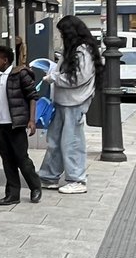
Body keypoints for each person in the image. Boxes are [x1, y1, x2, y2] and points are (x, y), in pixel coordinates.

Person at [37, 15, 101, 195]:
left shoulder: (82, 51)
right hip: (64, 101)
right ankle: (49, 176)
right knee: (55, 141)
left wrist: (54, 78)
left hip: (75, 102)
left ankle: (77, 179)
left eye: (62, 33)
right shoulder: (74, 50)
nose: (61, 36)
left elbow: (79, 77)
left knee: (71, 142)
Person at [0, 45, 42, 205]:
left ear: (5, 60)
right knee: (7, 160)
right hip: (0, 125)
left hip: (15, 125)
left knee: (22, 159)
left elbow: (32, 96)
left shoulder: (20, 74)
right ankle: (12, 194)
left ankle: (35, 187)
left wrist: (31, 120)